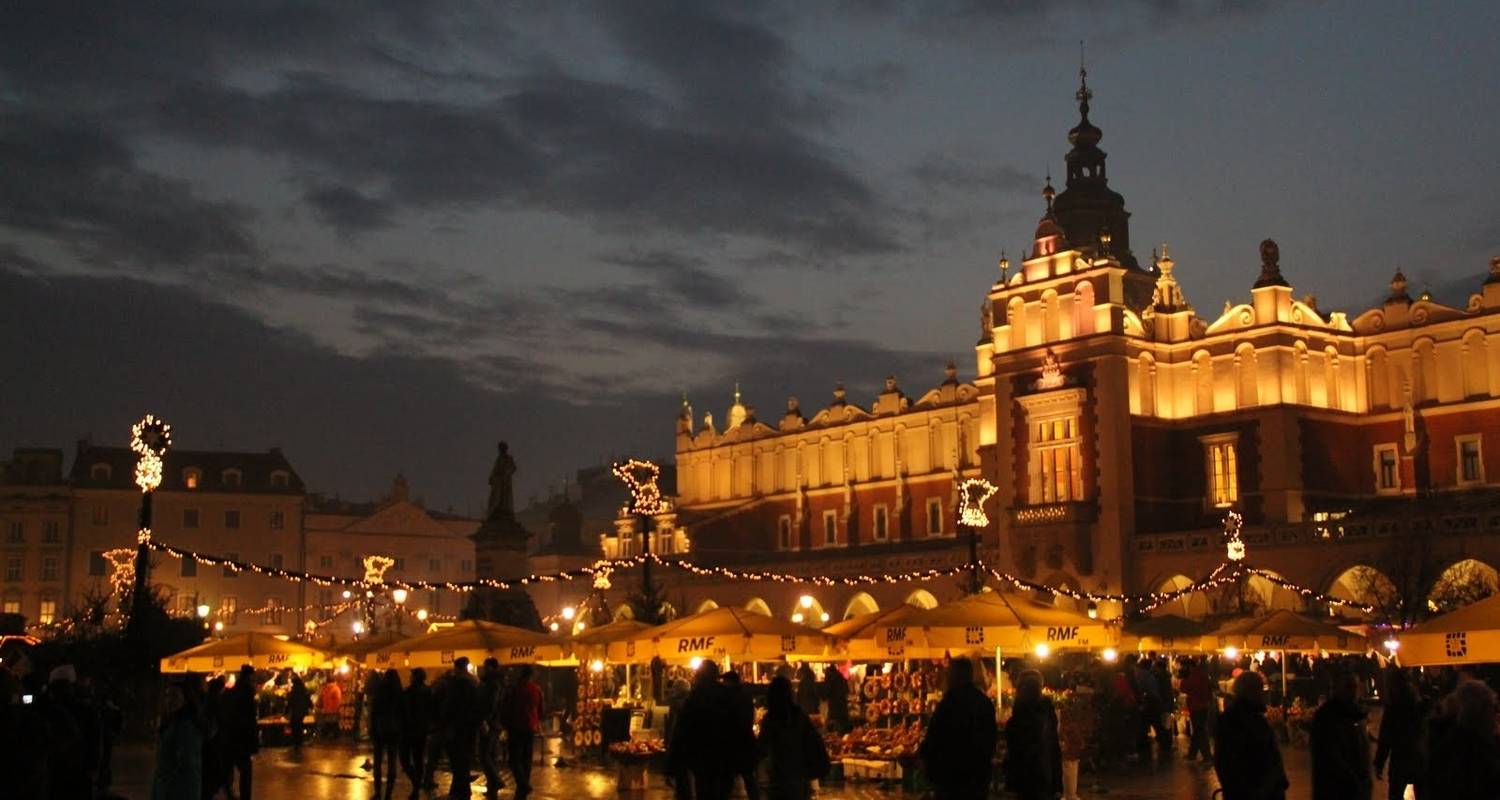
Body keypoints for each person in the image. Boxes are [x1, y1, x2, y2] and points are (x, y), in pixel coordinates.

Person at [919, 658, 997, 800]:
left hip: (952, 777)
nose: (947, 678)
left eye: (949, 674)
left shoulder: (949, 703)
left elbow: (935, 736)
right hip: (977, 776)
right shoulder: (984, 702)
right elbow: (991, 739)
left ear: (955, 676)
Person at [1214, 671, 1288, 800]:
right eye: (1260, 689)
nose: (1263, 693)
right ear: (1252, 692)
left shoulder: (1237, 718)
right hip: (1255, 791)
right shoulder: (1247, 720)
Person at [1424, 680, 1500, 799]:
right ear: (1481, 712)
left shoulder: (1444, 743)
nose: (1496, 714)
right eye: (1493, 708)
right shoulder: (1478, 749)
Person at [669, 661, 732, 800]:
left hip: (701, 755)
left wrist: (673, 760)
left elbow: (682, 728)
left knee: (704, 789)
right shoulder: (725, 695)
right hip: (723, 754)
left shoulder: (695, 696)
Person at [757, 676, 828, 800]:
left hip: (778, 781)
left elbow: (762, 749)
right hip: (799, 779)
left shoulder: (770, 719)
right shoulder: (799, 717)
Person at [1309, 670, 1372, 800]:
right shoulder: (1326, 717)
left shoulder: (1357, 714)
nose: (1353, 691)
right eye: (1348, 687)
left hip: (1357, 785)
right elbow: (1327, 753)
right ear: (1336, 689)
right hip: (1336, 788)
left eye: (1355, 686)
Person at [1003, 670, 1061, 800]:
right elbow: (1053, 746)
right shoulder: (1046, 712)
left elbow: (1014, 748)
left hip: (1025, 775)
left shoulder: (1020, 715)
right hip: (1044, 773)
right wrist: (1057, 783)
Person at [1373, 668, 1422, 800]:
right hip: (1418, 755)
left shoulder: (1393, 707)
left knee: (1395, 793)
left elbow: (1385, 737)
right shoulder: (1418, 703)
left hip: (1400, 757)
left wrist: (1379, 762)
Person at [152, 684, 203, 800]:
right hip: (168, 788)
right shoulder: (171, 722)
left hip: (179, 791)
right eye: (168, 695)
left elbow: (187, 763)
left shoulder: (186, 727)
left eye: (175, 696)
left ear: (185, 700)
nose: (170, 700)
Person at [502, 664, 545, 800]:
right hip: (530, 727)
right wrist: (536, 721)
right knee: (526, 758)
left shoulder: (514, 689)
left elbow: (507, 707)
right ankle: (524, 783)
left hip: (515, 726)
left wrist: (505, 724)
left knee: (514, 758)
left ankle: (522, 784)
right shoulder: (536, 690)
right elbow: (540, 709)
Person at [441, 657, 482, 800]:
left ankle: (461, 790)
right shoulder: (474, 682)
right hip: (470, 726)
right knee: (464, 759)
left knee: (457, 759)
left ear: (457, 667)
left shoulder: (456, 684)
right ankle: (460, 789)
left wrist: (445, 722)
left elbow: (450, 706)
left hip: (457, 726)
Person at [222, 665, 260, 800]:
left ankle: (229, 793)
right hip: (243, 738)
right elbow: (250, 718)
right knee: (246, 771)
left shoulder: (231, 691)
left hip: (231, 736)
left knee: (229, 768)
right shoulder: (247, 693)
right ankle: (244, 797)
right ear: (249, 677)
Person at [721, 670, 759, 800]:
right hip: (745, 740)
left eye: (724, 681)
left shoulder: (729, 696)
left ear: (730, 682)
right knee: (748, 777)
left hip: (733, 742)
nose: (723, 684)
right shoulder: (745, 695)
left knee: (728, 779)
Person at [400, 668, 434, 800]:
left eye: (412, 676)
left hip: (409, 731)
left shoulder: (409, 692)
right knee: (418, 759)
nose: (410, 678)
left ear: (415, 677)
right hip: (422, 730)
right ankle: (416, 787)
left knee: (404, 759)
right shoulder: (428, 691)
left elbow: (404, 711)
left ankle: (416, 782)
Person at [370, 669, 404, 799]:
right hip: (394, 732)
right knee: (392, 762)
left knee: (377, 762)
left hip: (380, 731)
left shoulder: (380, 693)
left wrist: (373, 730)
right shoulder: (399, 695)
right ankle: (388, 794)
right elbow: (403, 715)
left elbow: (374, 714)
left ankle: (378, 792)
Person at [477, 658, 506, 798]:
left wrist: (484, 720)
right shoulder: (498, 682)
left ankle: (496, 780)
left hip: (490, 723)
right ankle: (492, 785)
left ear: (492, 667)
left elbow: (490, 704)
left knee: (484, 755)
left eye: (486, 666)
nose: (484, 669)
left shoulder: (492, 684)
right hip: (496, 723)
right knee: (492, 755)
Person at [1181, 659, 1215, 762]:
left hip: (1196, 706)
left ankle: (1207, 756)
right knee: (1198, 730)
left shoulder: (1192, 677)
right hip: (1204, 705)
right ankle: (1193, 753)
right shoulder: (1203, 675)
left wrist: (1183, 678)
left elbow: (1184, 688)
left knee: (1199, 731)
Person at [820, 665, 850, 734]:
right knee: (842, 729)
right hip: (842, 707)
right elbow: (847, 690)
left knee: (833, 730)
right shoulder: (841, 677)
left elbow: (825, 694)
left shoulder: (829, 678)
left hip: (833, 708)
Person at [286, 674, 311, 750]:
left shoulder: (294, 691)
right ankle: (299, 741)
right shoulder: (304, 690)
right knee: (299, 725)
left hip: (295, 711)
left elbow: (290, 701)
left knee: (295, 726)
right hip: (302, 711)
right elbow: (308, 701)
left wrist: (286, 710)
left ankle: (296, 741)